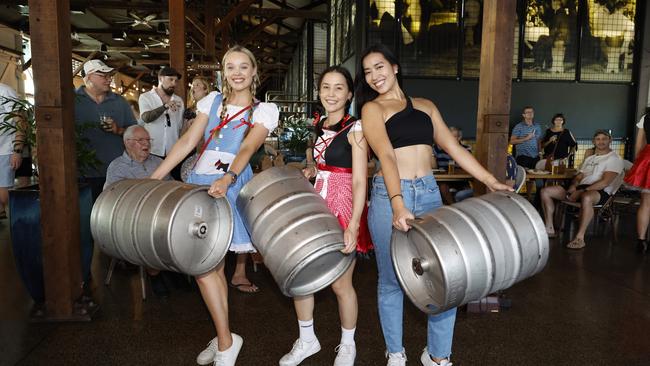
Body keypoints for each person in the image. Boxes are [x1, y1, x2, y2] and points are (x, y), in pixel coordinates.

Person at [355, 43, 512, 366]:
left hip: (427, 192)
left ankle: (438, 356)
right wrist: (398, 204)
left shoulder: (426, 106)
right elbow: (385, 155)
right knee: (391, 279)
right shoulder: (372, 109)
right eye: (368, 72)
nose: (374, 76)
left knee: (445, 277)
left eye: (379, 67)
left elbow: (454, 148)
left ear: (395, 67)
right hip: (389, 195)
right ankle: (396, 353)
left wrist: (490, 180)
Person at [151, 45, 279, 366]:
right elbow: (189, 141)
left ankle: (225, 341)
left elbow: (249, 146)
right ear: (223, 72)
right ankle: (225, 338)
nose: (237, 73)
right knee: (207, 269)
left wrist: (229, 178)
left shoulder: (263, 111)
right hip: (198, 184)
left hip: (230, 187)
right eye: (230, 67)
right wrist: (154, 177)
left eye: (243, 67)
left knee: (207, 267)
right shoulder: (212, 101)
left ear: (253, 72)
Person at [279, 66, 371, 366]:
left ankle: (347, 344)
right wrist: (313, 169)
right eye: (326, 88)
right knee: (302, 274)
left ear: (349, 93)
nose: (331, 94)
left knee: (340, 284)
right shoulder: (319, 124)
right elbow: (322, 161)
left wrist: (354, 225)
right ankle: (307, 339)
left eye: (338, 88)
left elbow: (359, 179)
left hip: (344, 204)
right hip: (317, 201)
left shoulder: (355, 128)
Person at [104, 125, 172, 296]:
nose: (146, 144)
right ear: (128, 143)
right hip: (130, 218)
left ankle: (173, 269)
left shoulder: (159, 162)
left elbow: (172, 187)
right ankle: (155, 274)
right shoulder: (117, 166)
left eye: (148, 140)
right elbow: (114, 198)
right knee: (149, 231)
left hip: (161, 212)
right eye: (141, 140)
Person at [541, 130, 623, 250]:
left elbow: (605, 182)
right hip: (581, 188)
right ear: (594, 141)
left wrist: (582, 191)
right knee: (545, 191)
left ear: (610, 140)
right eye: (598, 139)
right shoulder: (590, 158)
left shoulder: (614, 158)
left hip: (601, 191)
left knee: (587, 197)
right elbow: (579, 176)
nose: (601, 142)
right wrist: (573, 186)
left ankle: (579, 238)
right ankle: (549, 228)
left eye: (604, 139)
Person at [74, 59, 136, 200]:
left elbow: (135, 132)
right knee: (85, 215)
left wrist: (118, 130)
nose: (109, 80)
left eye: (109, 76)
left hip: (116, 171)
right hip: (82, 172)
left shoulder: (120, 101)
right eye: (103, 76)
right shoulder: (73, 101)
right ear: (88, 77)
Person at [139, 67, 185, 180]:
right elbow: (146, 118)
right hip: (152, 151)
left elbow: (179, 127)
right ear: (160, 78)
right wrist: (164, 107)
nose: (174, 83)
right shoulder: (146, 97)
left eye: (176, 81)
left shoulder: (179, 101)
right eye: (170, 79)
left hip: (173, 152)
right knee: (153, 184)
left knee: (174, 185)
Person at [624, 111, 650, 253]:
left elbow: (639, 145)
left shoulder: (646, 117)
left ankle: (641, 241)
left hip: (648, 157)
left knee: (645, 203)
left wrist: (640, 165)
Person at [0, 83, 23, 219]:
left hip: (5, 150)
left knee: (3, 197)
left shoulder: (5, 91)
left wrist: (17, 150)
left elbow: (21, 121)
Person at [433, 127, 472, 204]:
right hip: (444, 179)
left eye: (453, 136)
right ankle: (453, 207)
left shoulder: (466, 149)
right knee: (442, 187)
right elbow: (433, 167)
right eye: (448, 136)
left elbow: (468, 167)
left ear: (459, 137)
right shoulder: (437, 148)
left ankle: (464, 208)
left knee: (466, 189)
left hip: (461, 179)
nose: (450, 139)